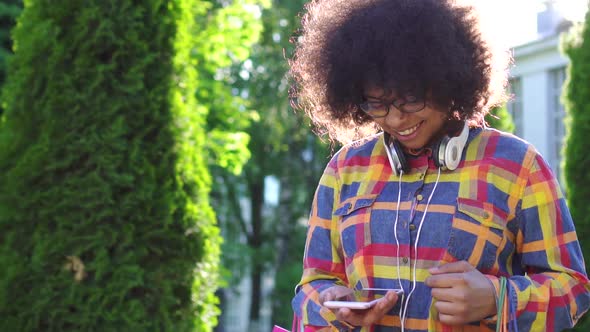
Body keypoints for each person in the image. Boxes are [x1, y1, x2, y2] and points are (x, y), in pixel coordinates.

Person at [289, 0, 590, 331]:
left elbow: (573, 291)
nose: (395, 119)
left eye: (410, 99)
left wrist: (496, 298)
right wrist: (332, 306)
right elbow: (310, 289)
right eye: (377, 104)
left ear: (447, 78)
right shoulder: (344, 169)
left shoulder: (518, 165)